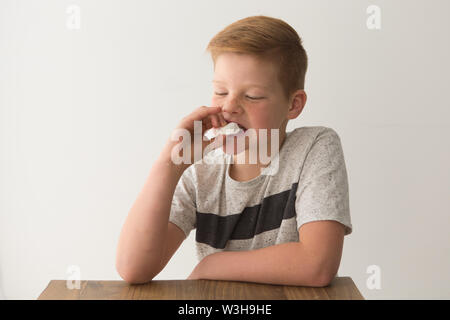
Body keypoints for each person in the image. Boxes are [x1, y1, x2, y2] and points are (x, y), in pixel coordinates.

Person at [116, 15, 352, 287]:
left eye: (252, 96)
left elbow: (317, 264)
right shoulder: (200, 172)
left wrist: (213, 263)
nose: (229, 107)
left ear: (293, 104)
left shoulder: (314, 147)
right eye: (220, 91)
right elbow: (133, 268)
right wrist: (169, 164)